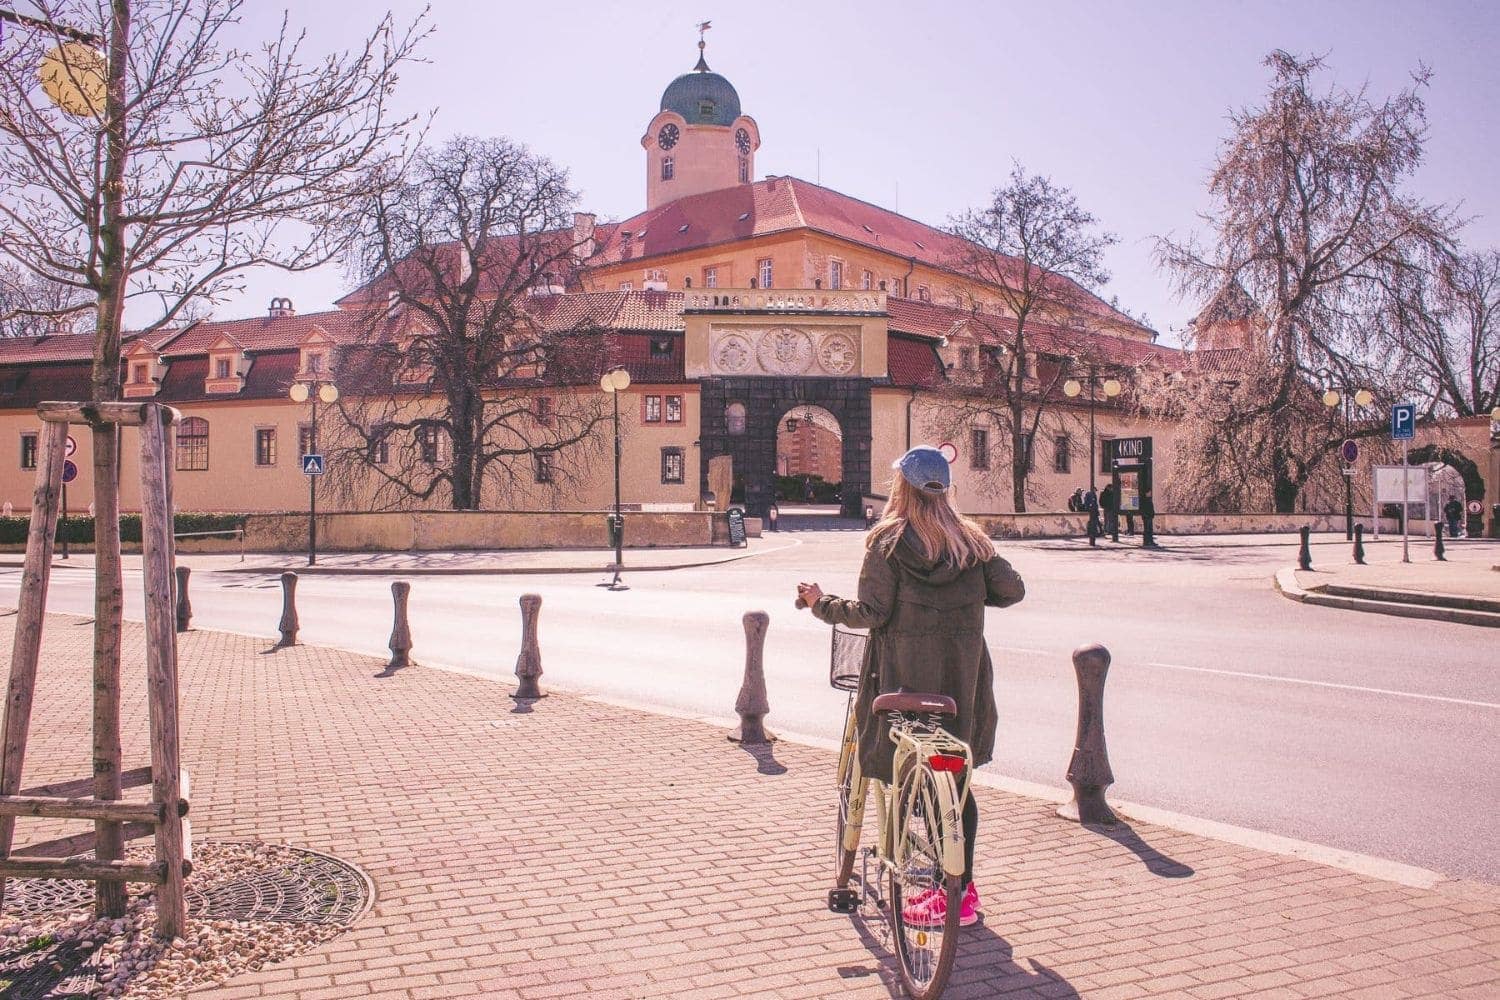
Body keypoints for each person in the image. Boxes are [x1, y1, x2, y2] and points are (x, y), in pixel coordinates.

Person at [796, 445, 1024, 929]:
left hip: (901, 682)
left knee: (904, 769)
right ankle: (961, 889)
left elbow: (871, 613)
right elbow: (1012, 590)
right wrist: (970, 582)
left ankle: (923, 877)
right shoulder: (971, 543)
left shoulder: (888, 542)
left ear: (902, 488)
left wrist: (820, 603)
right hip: (960, 684)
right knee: (956, 785)